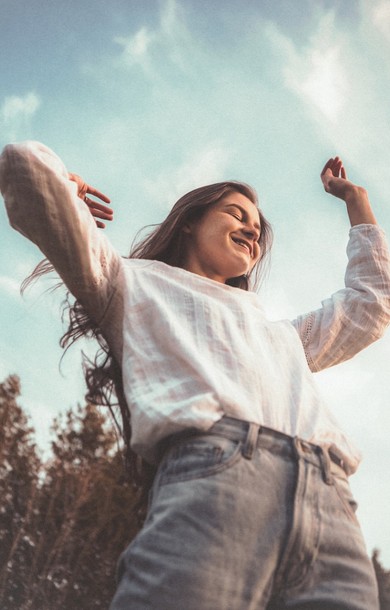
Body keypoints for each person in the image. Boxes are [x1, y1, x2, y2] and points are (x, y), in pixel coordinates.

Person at [0, 141, 389, 610]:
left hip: (332, 508)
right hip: (213, 486)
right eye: (236, 214)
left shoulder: (283, 337)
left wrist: (356, 199)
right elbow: (22, 167)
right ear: (189, 221)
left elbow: (370, 306)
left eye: (258, 227)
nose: (253, 229)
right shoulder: (129, 283)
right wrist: (66, 188)